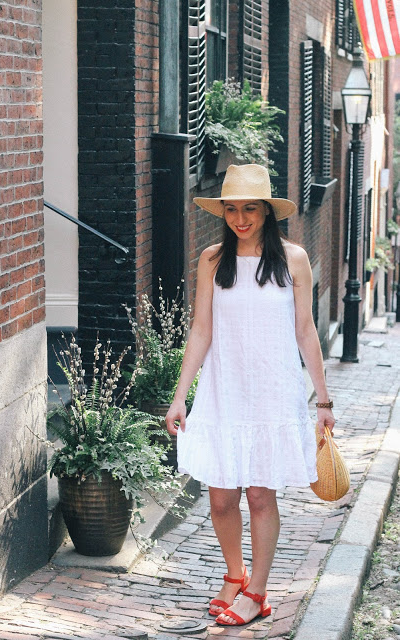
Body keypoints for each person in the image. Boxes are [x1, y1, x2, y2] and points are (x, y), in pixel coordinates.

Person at [165, 164, 335, 627]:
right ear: (223, 212)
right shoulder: (212, 259)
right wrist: (181, 395)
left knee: (260, 495)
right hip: (225, 391)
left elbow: (305, 331)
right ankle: (236, 576)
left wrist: (322, 401)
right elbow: (201, 329)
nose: (241, 218)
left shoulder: (293, 259)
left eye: (250, 209)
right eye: (233, 209)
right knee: (220, 498)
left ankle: (257, 592)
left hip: (272, 392)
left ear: (266, 212)